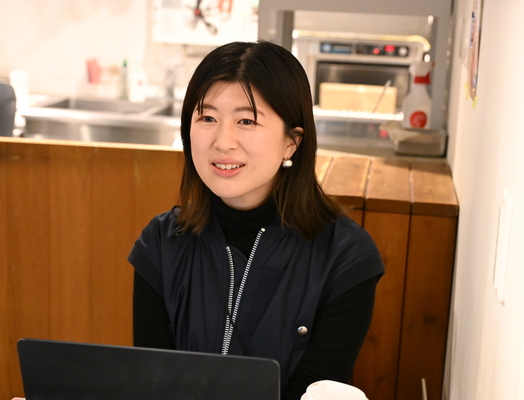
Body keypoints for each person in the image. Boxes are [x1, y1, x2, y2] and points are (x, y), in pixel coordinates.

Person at [128, 40, 384, 400]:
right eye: (207, 118)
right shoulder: (161, 244)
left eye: (246, 121)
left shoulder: (345, 257)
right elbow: (154, 384)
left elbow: (313, 389)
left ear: (292, 141)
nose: (223, 142)